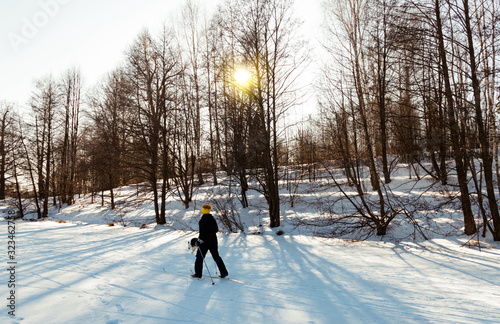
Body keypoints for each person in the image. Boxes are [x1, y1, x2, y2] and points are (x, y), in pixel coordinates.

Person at [192, 204, 228, 279]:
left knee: (199, 257)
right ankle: (224, 272)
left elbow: (202, 233)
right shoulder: (212, 219)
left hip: (204, 242)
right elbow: (216, 229)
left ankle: (198, 274)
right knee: (216, 256)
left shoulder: (202, 220)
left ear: (204, 211)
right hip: (213, 240)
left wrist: (199, 241)